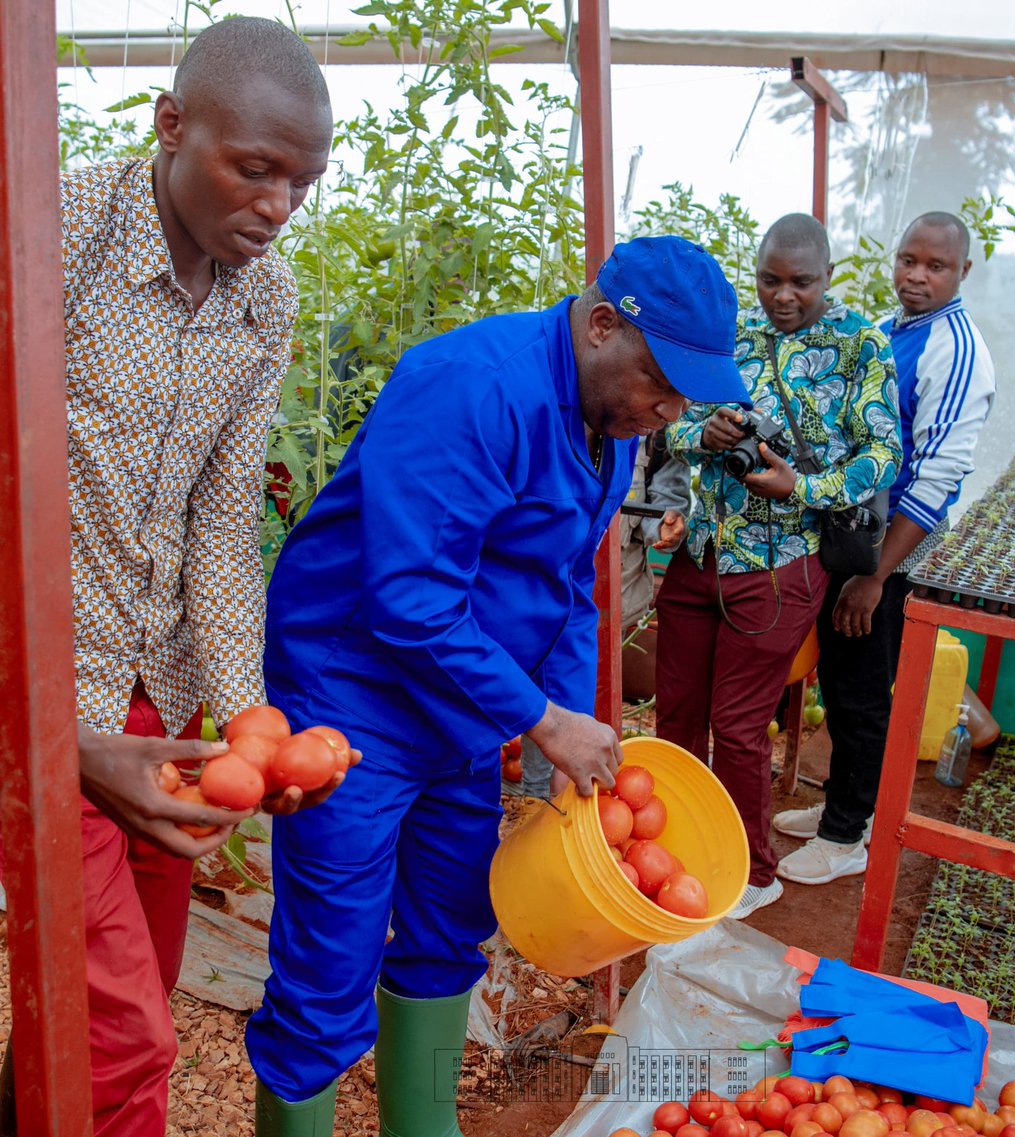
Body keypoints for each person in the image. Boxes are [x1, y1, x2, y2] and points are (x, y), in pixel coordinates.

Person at [244, 236, 750, 1134]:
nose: (669, 411)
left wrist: (569, 729)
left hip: (461, 701)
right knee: (330, 958)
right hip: (354, 692)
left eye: (684, 397)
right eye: (663, 385)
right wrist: (541, 718)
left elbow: (562, 590)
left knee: (449, 923)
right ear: (602, 326)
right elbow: (409, 598)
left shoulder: (612, 428)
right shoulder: (475, 387)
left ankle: (422, 1125)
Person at [0, 19, 335, 1137]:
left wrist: (246, 719)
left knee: (125, 971)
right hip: (56, 685)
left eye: (303, 181)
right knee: (127, 1032)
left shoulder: (264, 298)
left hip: (164, 695)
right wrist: (55, 735)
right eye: (255, 169)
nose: (279, 205)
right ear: (172, 126)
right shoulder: (54, 233)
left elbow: (223, 519)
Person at [654, 213, 902, 920]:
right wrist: (702, 430)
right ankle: (676, 846)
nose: (783, 295)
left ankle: (750, 872)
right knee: (677, 714)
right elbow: (670, 415)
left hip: (780, 565)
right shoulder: (734, 332)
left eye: (802, 282)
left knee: (735, 727)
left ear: (829, 276)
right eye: (770, 279)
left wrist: (805, 488)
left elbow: (883, 454)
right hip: (703, 550)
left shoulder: (859, 343)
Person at [772, 211, 995, 885]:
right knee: (842, 679)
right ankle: (848, 806)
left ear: (963, 273)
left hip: (893, 547)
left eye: (934, 266)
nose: (916, 276)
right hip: (859, 537)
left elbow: (937, 475)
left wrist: (875, 575)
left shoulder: (955, 350)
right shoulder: (892, 330)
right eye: (908, 261)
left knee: (865, 686)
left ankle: (847, 837)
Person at [510, 429, 689, 799]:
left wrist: (666, 525)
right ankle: (537, 795)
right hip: (544, 603)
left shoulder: (656, 436)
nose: (667, 410)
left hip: (616, 594)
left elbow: (666, 499)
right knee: (539, 693)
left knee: (574, 698)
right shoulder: (555, 420)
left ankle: (556, 795)